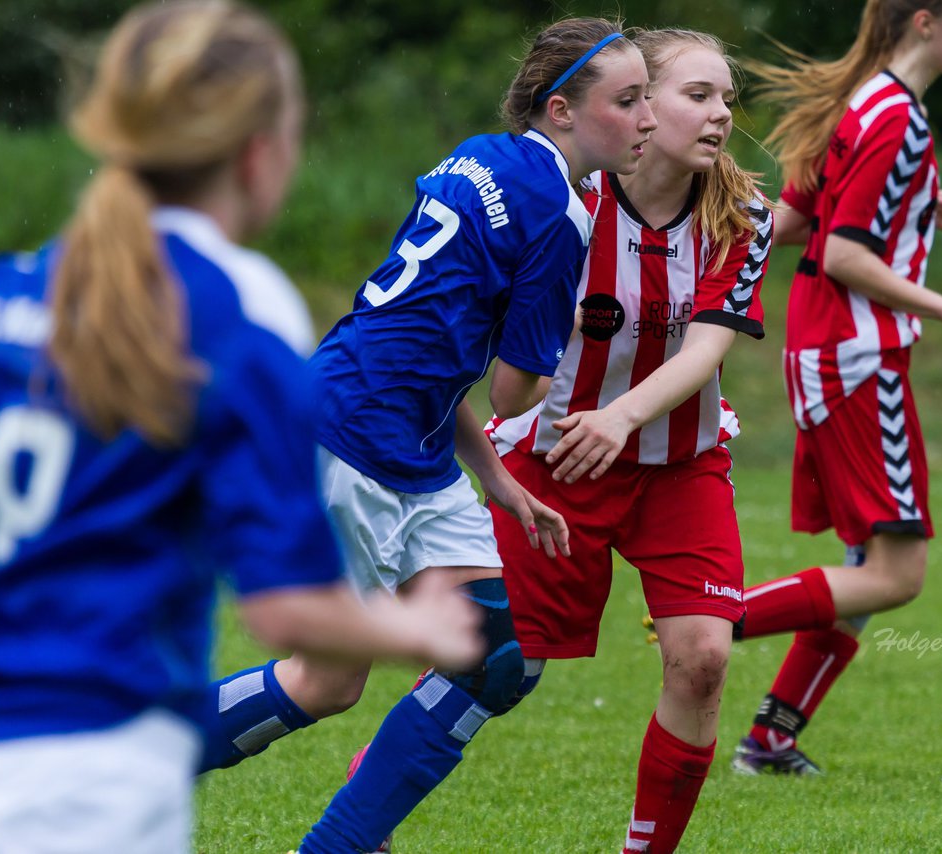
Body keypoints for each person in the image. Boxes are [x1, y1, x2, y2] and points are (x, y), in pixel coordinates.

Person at [0, 2, 483, 852]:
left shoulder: (12, 291)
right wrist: (414, 631)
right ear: (261, 154)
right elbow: (288, 606)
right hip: (93, 779)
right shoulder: (232, 307)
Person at [195, 17, 657, 853]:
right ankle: (120, 751)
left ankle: (340, 843)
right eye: (628, 101)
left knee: (495, 657)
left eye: (649, 100)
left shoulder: (481, 154)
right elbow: (517, 386)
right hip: (352, 439)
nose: (648, 121)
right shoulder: (562, 211)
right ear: (562, 110)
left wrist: (502, 484)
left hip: (404, 430)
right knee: (328, 684)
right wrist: (575, 332)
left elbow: (434, 350)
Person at [486, 28, 773, 853]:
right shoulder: (566, 202)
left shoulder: (742, 214)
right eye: (697, 95)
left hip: (680, 468)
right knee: (496, 672)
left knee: (703, 660)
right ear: (643, 104)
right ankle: (370, 809)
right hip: (554, 463)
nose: (720, 114)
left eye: (727, 98)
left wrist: (622, 417)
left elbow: (707, 350)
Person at [724, 0, 942, 777]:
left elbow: (800, 217)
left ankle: (771, 738)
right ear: (922, 21)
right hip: (857, 360)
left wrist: (914, 204)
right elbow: (845, 253)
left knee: (865, 560)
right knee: (895, 572)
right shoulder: (896, 117)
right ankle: (714, 618)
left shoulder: (869, 101)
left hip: (828, 354)